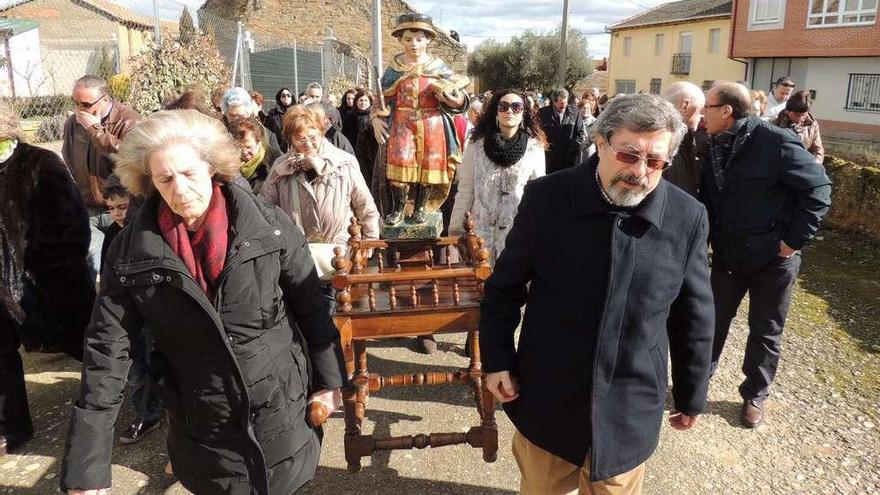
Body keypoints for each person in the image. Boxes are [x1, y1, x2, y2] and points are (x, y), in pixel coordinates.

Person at [60, 109, 347, 494]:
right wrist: (86, 465)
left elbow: (312, 307)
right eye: (165, 179)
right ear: (149, 183)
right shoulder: (131, 254)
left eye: (189, 174)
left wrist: (329, 381)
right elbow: (107, 347)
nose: (180, 190)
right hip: (202, 419)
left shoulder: (270, 227)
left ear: (212, 168)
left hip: (279, 406)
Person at [480, 93, 714, 494]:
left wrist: (692, 394)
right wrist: (497, 360)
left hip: (630, 404)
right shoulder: (547, 199)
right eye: (629, 155)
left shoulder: (687, 217)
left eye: (655, 162)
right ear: (601, 143)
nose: (640, 172)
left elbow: (694, 316)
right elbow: (504, 289)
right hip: (548, 395)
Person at [702, 82, 831, 428]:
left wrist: (793, 242)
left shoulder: (774, 142)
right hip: (729, 255)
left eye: (707, 106)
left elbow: (819, 189)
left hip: (773, 259)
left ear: (726, 111)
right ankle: (698, 381)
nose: (702, 112)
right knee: (710, 321)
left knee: (766, 330)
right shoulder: (712, 144)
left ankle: (754, 395)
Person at [0, 103, 93, 456]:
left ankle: (119, 399)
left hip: (48, 284)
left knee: (83, 343)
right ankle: (12, 428)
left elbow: (72, 225)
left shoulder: (41, 164)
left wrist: (49, 272)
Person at [372, 13, 470, 225]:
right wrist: (375, 117)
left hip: (433, 123)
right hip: (402, 122)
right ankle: (398, 209)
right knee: (400, 163)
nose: (413, 44)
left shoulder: (438, 67)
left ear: (428, 40)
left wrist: (454, 99)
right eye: (408, 39)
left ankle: (421, 209)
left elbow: (459, 94)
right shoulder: (395, 68)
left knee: (429, 166)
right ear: (400, 40)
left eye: (418, 39)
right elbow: (381, 97)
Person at [259, 106, 379, 252]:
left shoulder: (344, 162)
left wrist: (369, 245)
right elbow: (263, 209)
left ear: (321, 133)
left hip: (341, 252)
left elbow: (366, 207)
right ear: (290, 139)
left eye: (312, 137)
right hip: (297, 255)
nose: (308, 144)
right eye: (300, 139)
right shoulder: (281, 166)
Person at [98, 181, 164, 446]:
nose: (117, 213)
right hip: (129, 311)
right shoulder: (113, 235)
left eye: (122, 206)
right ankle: (146, 413)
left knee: (154, 362)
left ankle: (158, 408)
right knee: (136, 368)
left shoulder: (149, 230)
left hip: (153, 309)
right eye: (111, 208)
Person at [449, 89, 546, 264]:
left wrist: (541, 231)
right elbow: (465, 189)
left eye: (516, 107)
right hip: (480, 237)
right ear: (496, 111)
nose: (509, 111)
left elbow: (539, 194)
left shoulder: (535, 148)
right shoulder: (476, 145)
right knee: (481, 287)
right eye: (503, 106)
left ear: (524, 113)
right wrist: (455, 229)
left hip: (518, 235)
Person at [62, 74, 140, 277]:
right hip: (90, 211)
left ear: (104, 99)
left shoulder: (128, 119)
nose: (80, 110)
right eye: (75, 103)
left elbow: (129, 158)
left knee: (125, 271)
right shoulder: (73, 123)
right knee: (88, 271)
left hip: (124, 208)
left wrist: (94, 129)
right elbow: (69, 158)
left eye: (86, 104)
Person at [661, 81, 709, 198]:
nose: (703, 115)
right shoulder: (666, 141)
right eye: (701, 109)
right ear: (685, 106)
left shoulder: (684, 138)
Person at [221, 87, 283, 158]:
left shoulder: (266, 136)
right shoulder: (218, 133)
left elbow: (277, 162)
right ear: (226, 113)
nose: (236, 119)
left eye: (240, 115)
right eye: (232, 115)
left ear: (248, 113)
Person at [537, 88, 585, 174]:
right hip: (549, 160)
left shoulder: (575, 112)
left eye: (566, 103)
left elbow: (580, 134)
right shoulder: (543, 113)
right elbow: (538, 134)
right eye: (561, 103)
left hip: (569, 160)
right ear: (554, 102)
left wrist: (572, 149)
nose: (564, 106)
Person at [229, 118, 281, 193]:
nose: (244, 152)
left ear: (259, 143)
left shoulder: (274, 164)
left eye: (248, 147)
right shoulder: (229, 165)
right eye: (239, 147)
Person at [775, 90, 824, 164]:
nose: (799, 119)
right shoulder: (775, 123)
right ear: (788, 111)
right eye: (796, 115)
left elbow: (818, 150)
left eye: (803, 115)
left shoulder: (812, 125)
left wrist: (815, 165)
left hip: (803, 166)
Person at [342, 89, 372, 153]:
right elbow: (345, 136)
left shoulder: (373, 117)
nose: (363, 103)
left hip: (370, 152)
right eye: (361, 100)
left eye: (365, 100)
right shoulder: (349, 117)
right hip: (352, 150)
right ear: (356, 101)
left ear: (370, 102)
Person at [266, 87, 295, 152]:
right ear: (280, 98)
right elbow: (269, 130)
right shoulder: (273, 113)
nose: (286, 97)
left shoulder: (296, 111)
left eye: (288, 95)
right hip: (278, 146)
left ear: (292, 97)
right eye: (283, 96)